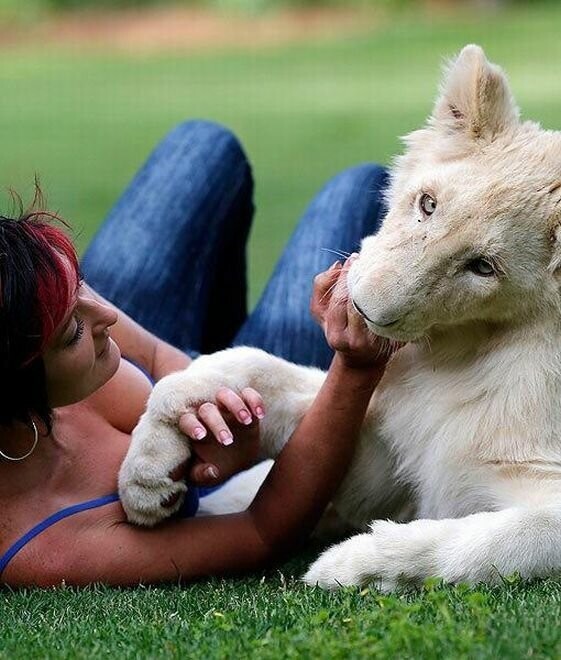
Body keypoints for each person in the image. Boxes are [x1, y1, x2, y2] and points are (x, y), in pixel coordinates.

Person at [0, 121, 392, 587]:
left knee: (203, 144)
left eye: (79, 283)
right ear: (18, 390)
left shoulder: (42, 301)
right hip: (248, 467)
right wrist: (355, 367)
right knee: (354, 189)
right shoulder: (45, 547)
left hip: (186, 369)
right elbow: (262, 533)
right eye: (72, 332)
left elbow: (156, 356)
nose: (106, 313)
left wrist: (213, 409)